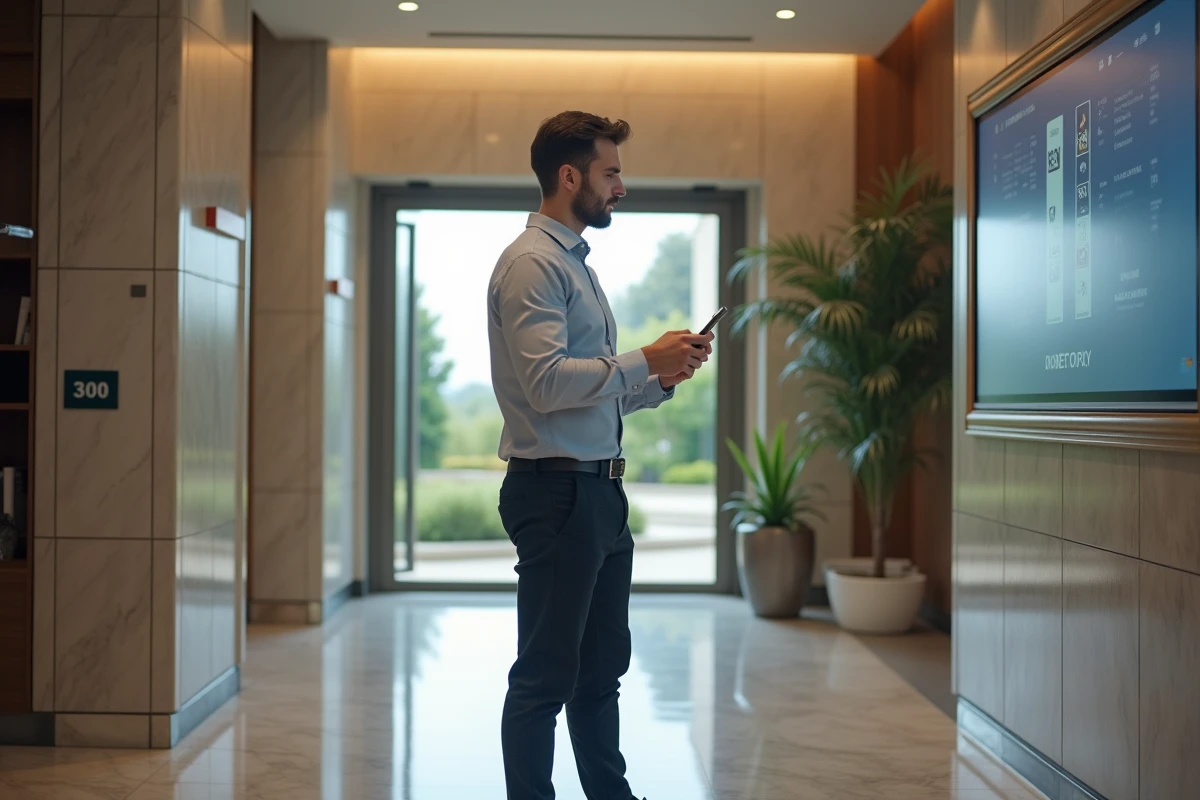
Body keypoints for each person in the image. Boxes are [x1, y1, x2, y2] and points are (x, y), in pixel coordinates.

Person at [487, 111, 714, 800]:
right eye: (610, 172)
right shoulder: (533, 265)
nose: (620, 186)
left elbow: (592, 396)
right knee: (545, 676)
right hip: (557, 495)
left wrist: (658, 379)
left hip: (596, 495)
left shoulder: (571, 265)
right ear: (569, 176)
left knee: (599, 671)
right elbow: (548, 384)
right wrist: (643, 358)